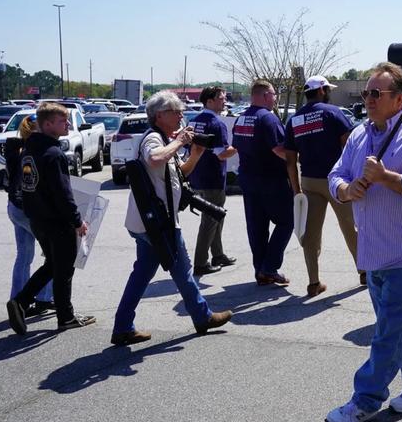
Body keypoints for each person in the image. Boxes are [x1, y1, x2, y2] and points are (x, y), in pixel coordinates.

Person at [325, 62, 402, 422]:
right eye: (366, 93)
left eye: (377, 93)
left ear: (398, 99)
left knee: (389, 329)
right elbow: (336, 174)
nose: (369, 99)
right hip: (373, 249)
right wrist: (345, 190)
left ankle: (365, 400)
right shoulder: (360, 135)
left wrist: (387, 178)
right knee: (398, 324)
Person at [112, 91, 233, 345]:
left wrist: (196, 152)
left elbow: (181, 173)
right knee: (182, 270)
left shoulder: (165, 139)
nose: (181, 115)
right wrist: (179, 143)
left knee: (146, 273)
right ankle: (202, 317)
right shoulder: (154, 139)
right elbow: (154, 158)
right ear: (159, 116)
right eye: (175, 111)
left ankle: (123, 326)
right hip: (157, 222)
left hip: (151, 222)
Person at [6, 102, 94, 335]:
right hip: (57, 222)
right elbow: (63, 194)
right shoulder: (53, 154)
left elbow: (27, 187)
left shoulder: (29, 151)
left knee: (53, 266)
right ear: (47, 124)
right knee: (64, 270)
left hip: (38, 220)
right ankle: (65, 317)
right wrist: (77, 221)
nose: (67, 124)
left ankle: (21, 301)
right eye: (62, 121)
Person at [284, 75, 359, 297]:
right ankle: (364, 271)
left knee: (310, 233)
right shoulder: (333, 113)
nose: (329, 93)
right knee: (351, 226)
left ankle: (313, 282)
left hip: (308, 180)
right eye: (327, 89)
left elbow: (290, 160)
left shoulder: (294, 120)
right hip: (336, 180)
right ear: (322, 91)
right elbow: (350, 145)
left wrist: (296, 190)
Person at [233, 80, 294, 286]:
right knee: (287, 222)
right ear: (266, 95)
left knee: (257, 228)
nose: (276, 98)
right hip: (271, 180)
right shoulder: (268, 118)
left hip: (248, 181)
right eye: (274, 94)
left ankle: (261, 270)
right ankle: (269, 268)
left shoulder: (241, 118)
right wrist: (300, 158)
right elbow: (279, 150)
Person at [5, 115, 53, 317]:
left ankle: (18, 300)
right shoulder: (34, 151)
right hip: (30, 211)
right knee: (54, 256)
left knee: (23, 256)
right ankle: (42, 298)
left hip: (15, 207)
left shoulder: (17, 148)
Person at [189, 85, 238, 277]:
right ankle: (201, 263)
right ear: (209, 101)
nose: (224, 100)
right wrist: (239, 146)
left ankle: (218, 255)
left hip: (197, 176)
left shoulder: (194, 121)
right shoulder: (217, 123)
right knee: (210, 220)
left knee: (216, 216)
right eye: (221, 98)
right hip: (212, 178)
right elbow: (221, 154)